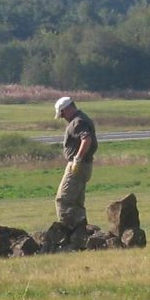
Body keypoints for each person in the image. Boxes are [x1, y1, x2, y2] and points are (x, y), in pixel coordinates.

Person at [54, 96, 98, 232]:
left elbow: (86, 139)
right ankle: (80, 232)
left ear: (68, 108)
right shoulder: (81, 118)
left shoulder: (77, 122)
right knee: (77, 202)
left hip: (78, 165)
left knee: (64, 199)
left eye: (62, 113)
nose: (62, 117)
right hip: (85, 165)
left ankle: (66, 233)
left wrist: (77, 159)